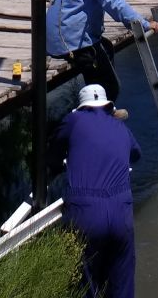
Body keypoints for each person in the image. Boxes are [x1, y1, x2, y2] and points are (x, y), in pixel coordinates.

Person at [50, 83, 142, 298]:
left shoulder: (73, 120)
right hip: (121, 210)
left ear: (82, 107)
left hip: (86, 211)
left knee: (84, 284)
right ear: (109, 106)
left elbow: (53, 152)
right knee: (122, 285)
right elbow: (136, 154)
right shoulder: (120, 127)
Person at [46, 0, 158, 102]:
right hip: (72, 43)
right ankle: (101, 118)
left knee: (106, 47)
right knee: (111, 87)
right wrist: (144, 24)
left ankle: (96, 95)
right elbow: (116, 4)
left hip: (53, 40)